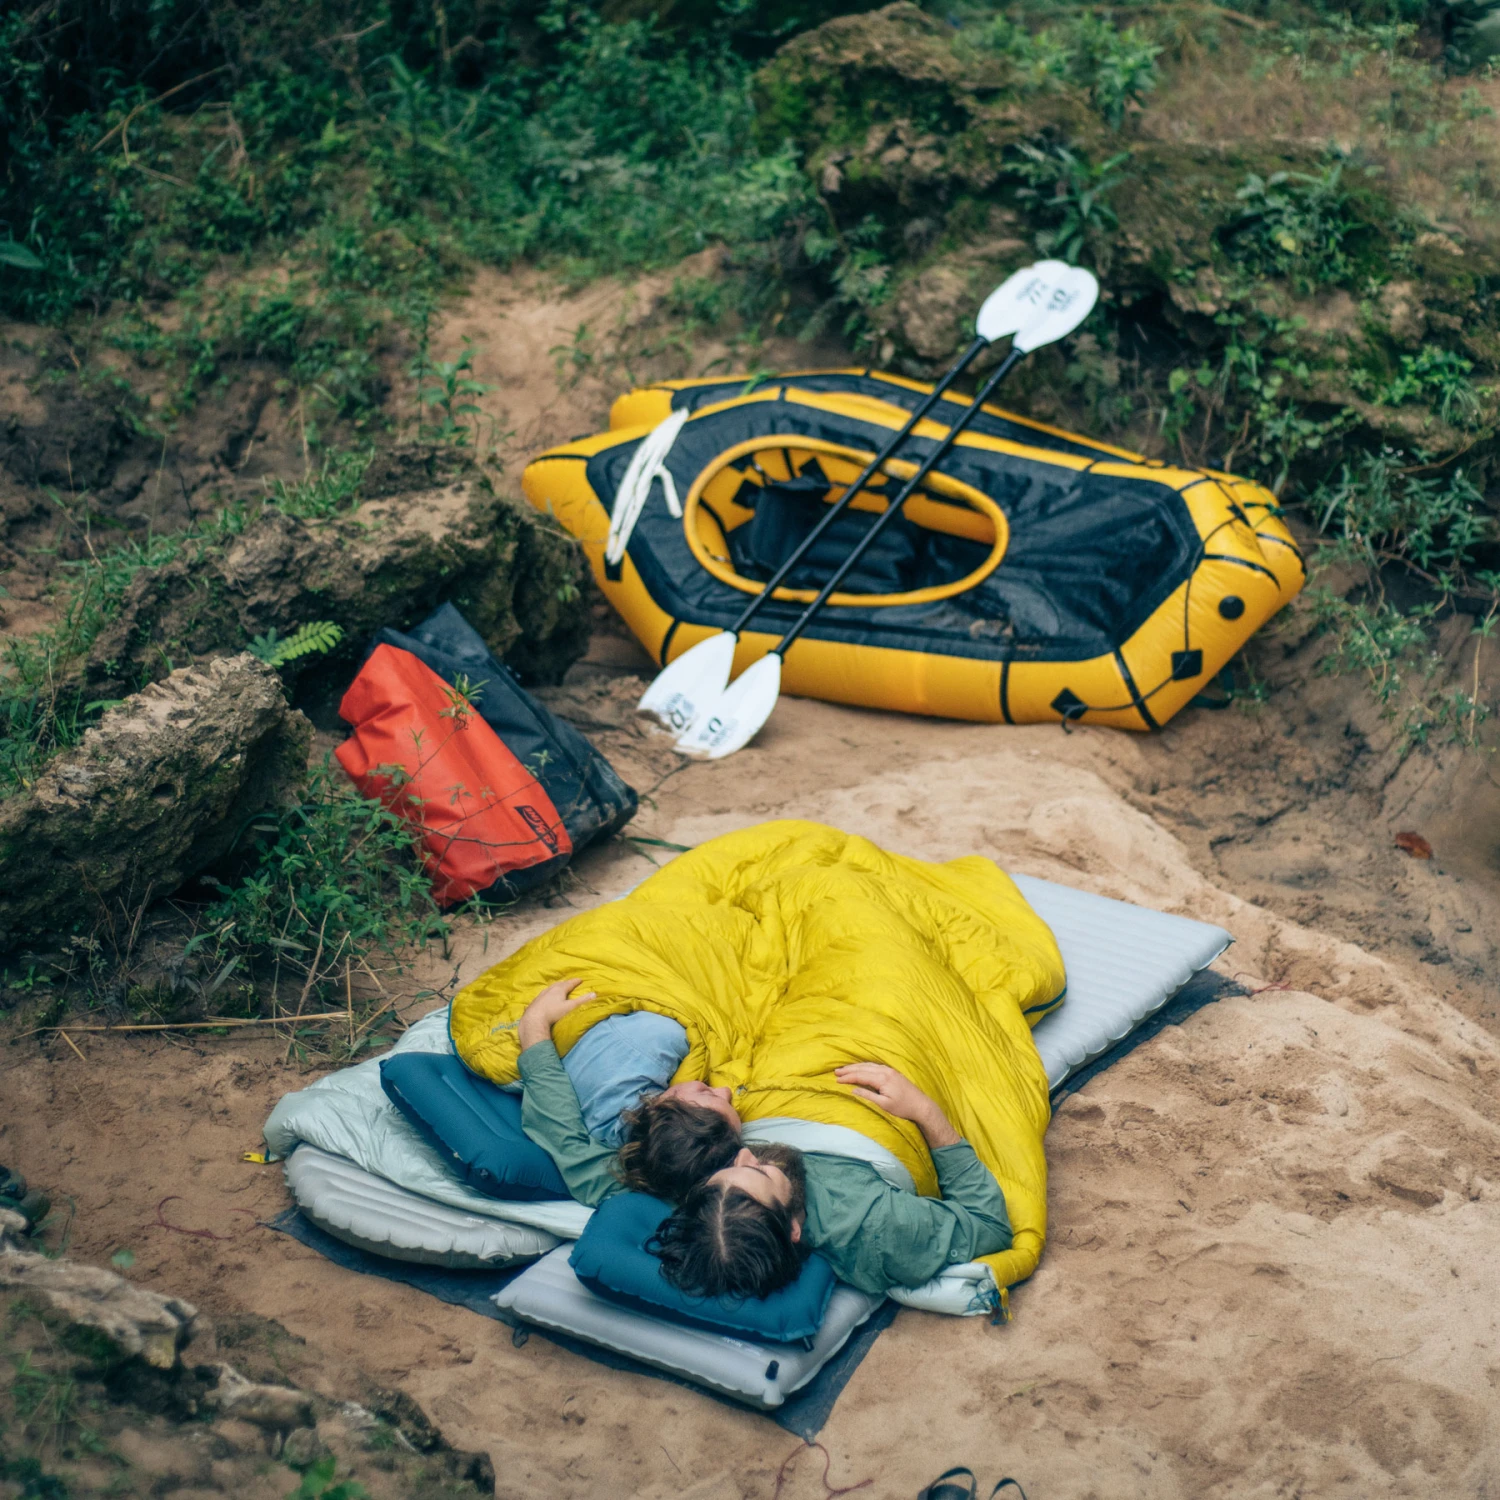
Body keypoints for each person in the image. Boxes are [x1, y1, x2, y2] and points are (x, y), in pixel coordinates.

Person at [517, 980, 1013, 1299]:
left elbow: (567, 1140)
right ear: (794, 1228)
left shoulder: (690, 1191)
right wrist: (926, 1112)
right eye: (759, 1171)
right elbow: (990, 1224)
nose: (744, 1153)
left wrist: (534, 1027)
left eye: (728, 1170)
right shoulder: (875, 1228)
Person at [516, 977, 742, 1205]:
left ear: (659, 1104)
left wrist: (535, 1021)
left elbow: (559, 1129)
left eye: (706, 1092)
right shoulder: (675, 1184)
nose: (726, 1090)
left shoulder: (658, 1039)